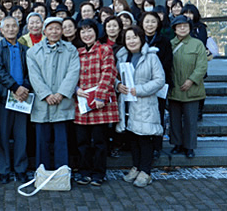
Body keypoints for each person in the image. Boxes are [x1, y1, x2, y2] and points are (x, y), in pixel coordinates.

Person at [26, 17, 80, 170]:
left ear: (62, 30)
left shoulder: (71, 50)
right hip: (42, 103)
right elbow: (34, 76)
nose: (54, 31)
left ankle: (62, 173)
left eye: (57, 28)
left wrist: (61, 93)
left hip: (62, 102)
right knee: (42, 142)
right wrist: (46, 95)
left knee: (62, 141)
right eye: (50, 28)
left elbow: (73, 73)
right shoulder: (33, 52)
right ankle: (42, 173)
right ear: (44, 31)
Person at [116, 26, 165, 187]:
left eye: (134, 37)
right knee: (133, 137)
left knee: (145, 138)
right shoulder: (122, 57)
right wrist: (118, 86)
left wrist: (140, 90)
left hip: (145, 103)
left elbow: (159, 80)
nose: (131, 41)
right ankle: (136, 167)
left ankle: (146, 171)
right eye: (128, 38)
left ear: (141, 38)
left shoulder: (151, 57)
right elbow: (115, 76)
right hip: (128, 104)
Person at [73, 19, 119, 187]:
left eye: (89, 30)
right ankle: (84, 171)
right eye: (83, 31)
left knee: (99, 142)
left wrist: (100, 96)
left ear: (96, 31)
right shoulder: (76, 52)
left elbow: (109, 72)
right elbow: (70, 74)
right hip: (81, 104)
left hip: (100, 104)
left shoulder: (105, 49)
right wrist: (75, 89)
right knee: (82, 142)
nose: (87, 34)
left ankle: (99, 173)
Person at [0, 16, 32, 184]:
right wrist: (15, 87)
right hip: (4, 97)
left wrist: (24, 88)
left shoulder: (25, 49)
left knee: (21, 136)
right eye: (7, 26)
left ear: (19, 28)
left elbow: (30, 72)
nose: (11, 29)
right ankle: (4, 169)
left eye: (14, 26)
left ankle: (21, 169)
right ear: (1, 29)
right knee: (4, 136)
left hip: (23, 98)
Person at [168, 15, 208, 159]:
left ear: (190, 28)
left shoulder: (197, 44)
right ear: (174, 29)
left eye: (185, 26)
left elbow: (202, 65)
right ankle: (177, 144)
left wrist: (192, 80)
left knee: (191, 120)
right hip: (174, 88)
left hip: (192, 88)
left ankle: (189, 146)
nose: (182, 28)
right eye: (179, 26)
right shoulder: (170, 44)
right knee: (175, 119)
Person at [140, 12, 173, 159]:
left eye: (153, 22)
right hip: (141, 84)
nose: (150, 25)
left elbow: (167, 63)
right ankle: (142, 145)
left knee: (157, 115)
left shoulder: (164, 41)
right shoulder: (138, 40)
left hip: (159, 85)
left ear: (158, 24)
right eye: (147, 22)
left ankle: (157, 146)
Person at [181, 3, 208, 120]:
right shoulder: (180, 27)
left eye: (190, 13)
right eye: (185, 13)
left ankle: (199, 111)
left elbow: (201, 42)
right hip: (184, 61)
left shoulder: (200, 27)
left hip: (198, 61)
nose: (188, 15)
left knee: (198, 86)